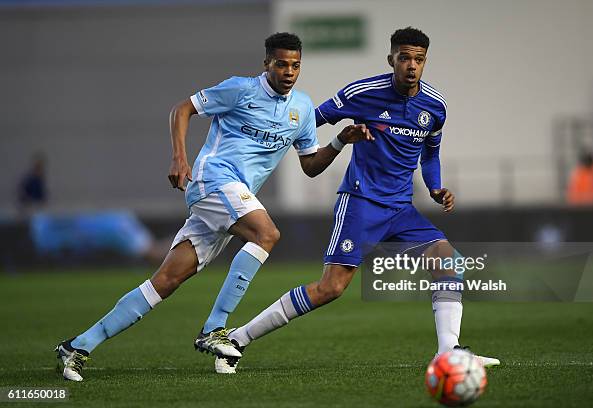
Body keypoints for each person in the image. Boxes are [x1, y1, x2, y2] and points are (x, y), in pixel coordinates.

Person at [55, 32, 372, 381]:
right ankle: (215, 328)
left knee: (165, 280)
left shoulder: (302, 109)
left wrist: (341, 140)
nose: (288, 72)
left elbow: (310, 166)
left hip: (233, 199)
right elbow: (183, 109)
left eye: (295, 65)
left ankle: (77, 346)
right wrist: (180, 157)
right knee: (267, 234)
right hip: (213, 181)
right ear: (267, 64)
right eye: (281, 64)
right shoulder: (241, 89)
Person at [215, 27, 500, 374]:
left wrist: (435, 187)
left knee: (449, 263)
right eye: (405, 57)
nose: (412, 65)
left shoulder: (435, 107)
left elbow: (430, 154)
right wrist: (271, 144)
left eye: (419, 59)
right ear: (391, 59)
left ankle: (448, 353)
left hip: (401, 208)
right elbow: (307, 120)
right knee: (330, 288)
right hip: (361, 203)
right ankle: (237, 341)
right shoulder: (362, 93)